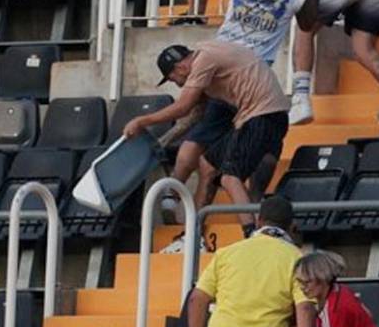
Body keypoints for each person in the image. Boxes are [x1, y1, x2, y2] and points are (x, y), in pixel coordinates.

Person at [140, 0, 329, 199]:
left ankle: (172, 198)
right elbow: (309, 25)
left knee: (196, 134)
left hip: (219, 69)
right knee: (257, 149)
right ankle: (254, 203)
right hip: (256, 83)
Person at [123, 42, 290, 230]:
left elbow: (183, 106)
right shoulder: (211, 59)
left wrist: (141, 121)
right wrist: (163, 140)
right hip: (271, 116)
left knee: (229, 178)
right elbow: (194, 114)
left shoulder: (204, 60)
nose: (179, 85)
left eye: (174, 80)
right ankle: (194, 232)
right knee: (207, 164)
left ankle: (251, 233)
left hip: (261, 116)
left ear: (181, 67)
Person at [182, 196, 316, 327]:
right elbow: (305, 308)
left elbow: (197, 299)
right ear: (291, 226)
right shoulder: (296, 259)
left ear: (259, 221)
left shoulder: (227, 253)